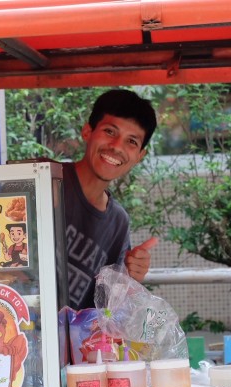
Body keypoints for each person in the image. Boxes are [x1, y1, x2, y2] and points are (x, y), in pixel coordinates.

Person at [63, 89, 159, 311]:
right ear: (88, 131)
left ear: (140, 156)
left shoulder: (118, 222)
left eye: (131, 141)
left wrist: (130, 276)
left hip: (73, 334)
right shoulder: (43, 181)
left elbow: (108, 306)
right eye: (109, 131)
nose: (116, 146)